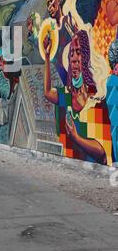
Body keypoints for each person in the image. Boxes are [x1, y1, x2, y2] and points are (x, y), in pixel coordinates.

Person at [43, 29, 109, 165]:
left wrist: (76, 137)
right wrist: (47, 56)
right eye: (71, 53)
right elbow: (48, 92)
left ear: (86, 57)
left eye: (78, 52)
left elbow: (102, 151)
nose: (73, 58)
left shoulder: (94, 96)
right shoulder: (68, 94)